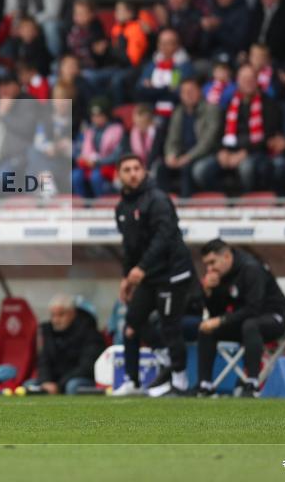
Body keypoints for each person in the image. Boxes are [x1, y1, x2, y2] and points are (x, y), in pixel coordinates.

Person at [113, 152, 194, 397]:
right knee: (131, 326)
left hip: (171, 272)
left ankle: (180, 381)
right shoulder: (122, 208)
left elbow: (164, 238)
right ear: (119, 175)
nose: (132, 173)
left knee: (170, 325)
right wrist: (127, 277)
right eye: (126, 169)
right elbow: (129, 246)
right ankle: (132, 381)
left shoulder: (158, 199)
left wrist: (142, 268)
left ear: (144, 171)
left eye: (136, 168)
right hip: (148, 276)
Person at [196, 238, 285, 397]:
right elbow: (216, 312)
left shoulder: (251, 268)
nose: (209, 268)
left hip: (274, 317)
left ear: (226, 256)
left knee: (250, 325)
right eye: (206, 265)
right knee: (207, 329)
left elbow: (253, 309)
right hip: (245, 321)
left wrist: (221, 320)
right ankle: (205, 385)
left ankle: (252, 383)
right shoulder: (221, 274)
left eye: (212, 262)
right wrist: (209, 292)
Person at [195, 64, 281, 193]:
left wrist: (244, 153)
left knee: (246, 168)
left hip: (255, 152)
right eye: (244, 79)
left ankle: (245, 203)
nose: (247, 83)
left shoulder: (268, 104)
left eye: (251, 79)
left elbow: (268, 136)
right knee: (200, 170)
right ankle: (225, 199)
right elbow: (219, 133)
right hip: (228, 152)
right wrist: (221, 151)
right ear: (237, 82)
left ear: (257, 80)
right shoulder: (230, 102)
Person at [30, 295, 105, 395]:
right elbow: (44, 362)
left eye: (61, 315)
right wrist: (46, 381)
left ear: (72, 314)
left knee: (72, 386)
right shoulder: (48, 332)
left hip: (80, 379)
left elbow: (86, 367)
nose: (56, 320)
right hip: (54, 382)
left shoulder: (89, 333)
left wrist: (59, 385)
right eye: (53, 315)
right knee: (29, 385)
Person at [159, 79, 221, 198]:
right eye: (184, 92)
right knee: (161, 168)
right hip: (182, 154)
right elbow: (172, 138)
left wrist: (188, 157)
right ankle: (163, 205)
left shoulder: (211, 109)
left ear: (200, 92)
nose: (188, 94)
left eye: (191, 91)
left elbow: (208, 142)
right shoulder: (178, 112)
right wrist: (170, 154)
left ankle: (185, 206)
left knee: (188, 169)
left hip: (205, 154)